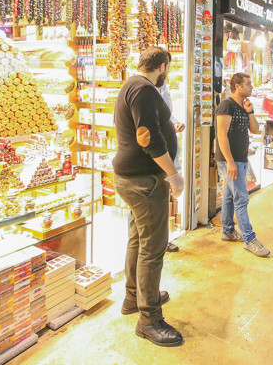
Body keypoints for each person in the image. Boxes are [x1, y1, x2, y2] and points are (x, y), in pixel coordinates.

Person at [113, 46, 184, 346]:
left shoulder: (132, 85)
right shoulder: (144, 89)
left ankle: (135, 297)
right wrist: (173, 173)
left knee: (138, 239)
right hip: (144, 181)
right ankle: (149, 319)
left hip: (134, 178)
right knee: (153, 248)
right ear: (162, 66)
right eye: (168, 68)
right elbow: (149, 138)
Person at [215, 73, 270, 257]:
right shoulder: (226, 105)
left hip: (240, 158)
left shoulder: (243, 106)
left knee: (230, 196)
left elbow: (255, 129)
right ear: (237, 86)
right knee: (241, 198)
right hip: (230, 159)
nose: (251, 86)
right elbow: (221, 135)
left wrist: (250, 111)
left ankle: (228, 231)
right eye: (247, 84)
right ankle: (249, 239)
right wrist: (230, 161)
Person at [158, 82, 185, 252]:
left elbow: (166, 116)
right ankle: (155, 244)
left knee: (163, 201)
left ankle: (162, 240)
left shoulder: (164, 88)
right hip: (156, 159)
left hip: (167, 155)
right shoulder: (145, 90)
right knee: (149, 206)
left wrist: (175, 123)